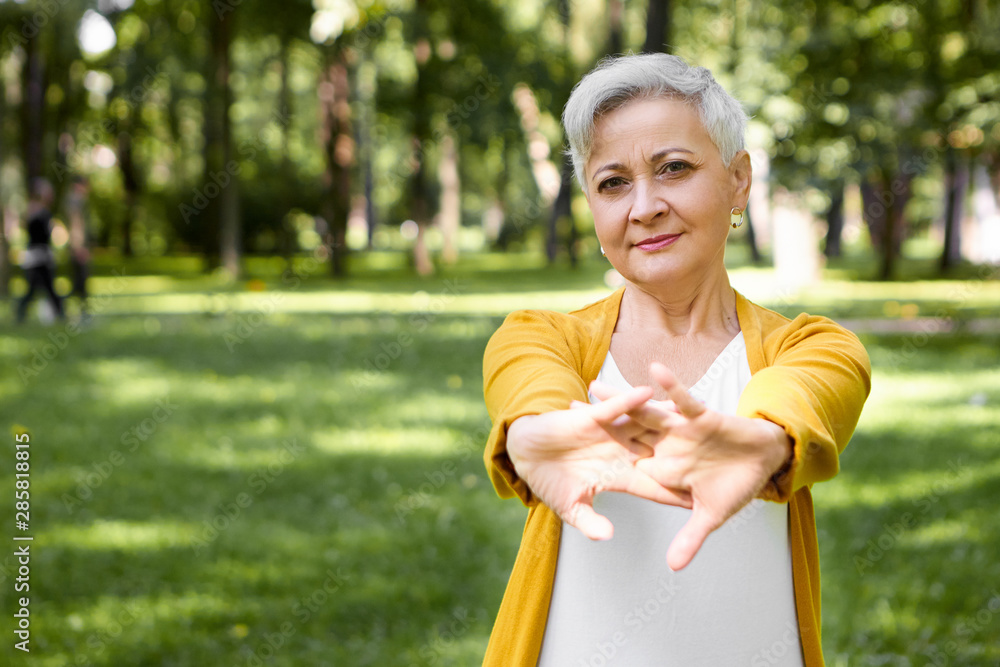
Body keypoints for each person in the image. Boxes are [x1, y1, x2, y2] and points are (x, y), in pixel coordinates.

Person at [481, 54, 871, 666]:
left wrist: (761, 446)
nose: (643, 207)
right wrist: (534, 436)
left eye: (674, 169)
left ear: (738, 179)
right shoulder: (542, 336)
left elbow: (808, 397)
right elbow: (529, 389)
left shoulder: (811, 346)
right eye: (612, 183)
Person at [16, 178, 65, 324]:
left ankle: (59, 313)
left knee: (42, 288)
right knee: (42, 288)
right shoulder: (36, 211)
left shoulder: (41, 211)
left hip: (41, 254)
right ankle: (60, 314)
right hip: (37, 256)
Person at [65, 175, 92, 315]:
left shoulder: (74, 200)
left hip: (77, 246)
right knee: (80, 280)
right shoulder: (75, 201)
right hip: (78, 246)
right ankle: (81, 311)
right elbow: (76, 225)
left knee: (78, 281)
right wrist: (79, 247)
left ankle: (77, 309)